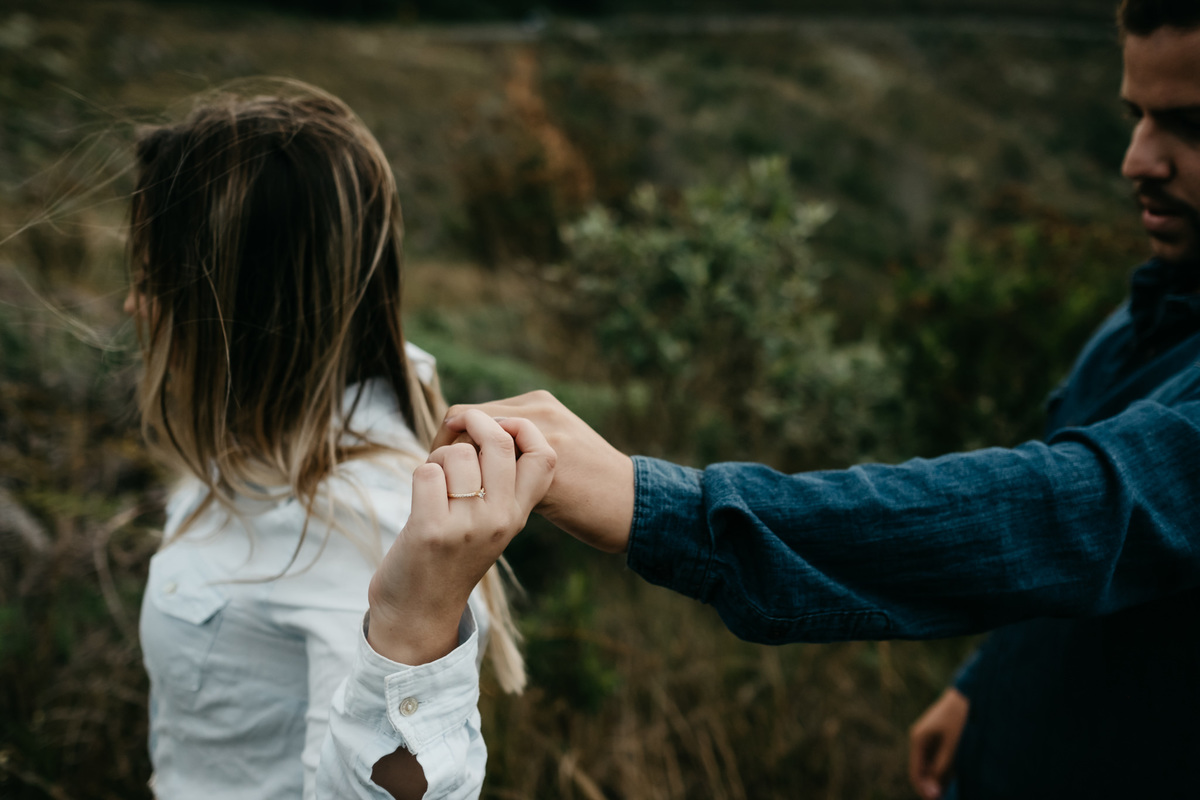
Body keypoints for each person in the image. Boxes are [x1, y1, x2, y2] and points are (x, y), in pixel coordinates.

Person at [434, 1, 1200, 797]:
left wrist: (664, 507)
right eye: (1136, 116)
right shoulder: (1152, 307)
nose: (1139, 160)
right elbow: (1066, 560)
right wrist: (983, 681)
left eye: (1190, 125)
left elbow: (1074, 512)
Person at [128, 83, 555, 800]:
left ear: (232, 306)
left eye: (151, 280)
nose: (133, 304)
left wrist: (412, 629)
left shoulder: (361, 519)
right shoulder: (249, 444)